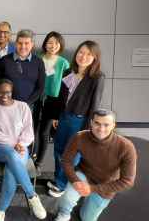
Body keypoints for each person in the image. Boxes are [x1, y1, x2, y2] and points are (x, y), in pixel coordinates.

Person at [54, 109, 137, 221]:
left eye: (106, 125)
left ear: (113, 125)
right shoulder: (80, 137)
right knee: (68, 197)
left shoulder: (127, 147)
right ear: (91, 122)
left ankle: (85, 205)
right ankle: (64, 214)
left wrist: (92, 189)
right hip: (84, 174)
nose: (101, 129)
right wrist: (75, 180)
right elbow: (66, 161)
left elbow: (127, 181)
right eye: (97, 123)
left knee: (87, 218)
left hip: (107, 184)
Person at [47, 40, 105, 198]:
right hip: (64, 117)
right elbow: (61, 97)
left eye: (88, 54)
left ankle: (62, 184)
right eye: (81, 52)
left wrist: (87, 128)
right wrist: (56, 116)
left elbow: (94, 105)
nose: (83, 56)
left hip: (78, 121)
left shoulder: (97, 78)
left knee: (71, 155)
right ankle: (58, 178)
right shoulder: (69, 72)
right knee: (58, 149)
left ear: (94, 58)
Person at [0, 79, 47, 221]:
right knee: (12, 155)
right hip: (0, 148)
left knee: (10, 171)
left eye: (7, 92)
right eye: (0, 92)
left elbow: (29, 131)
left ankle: (0, 210)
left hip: (22, 148)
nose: (4, 95)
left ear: (12, 92)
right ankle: (32, 196)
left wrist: (22, 144)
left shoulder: (23, 107)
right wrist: (15, 144)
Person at [33, 32, 70, 168]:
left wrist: (60, 112)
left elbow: (66, 89)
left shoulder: (64, 63)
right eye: (50, 42)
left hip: (54, 102)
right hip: (37, 99)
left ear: (60, 45)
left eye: (56, 42)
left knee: (44, 132)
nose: (52, 45)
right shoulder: (38, 59)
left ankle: (39, 163)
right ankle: (32, 157)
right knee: (33, 130)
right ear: (45, 44)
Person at [0, 29, 45, 107]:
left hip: (29, 107)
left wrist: (27, 104)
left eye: (26, 43)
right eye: (20, 43)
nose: (23, 46)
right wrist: (7, 101)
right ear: (16, 44)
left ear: (32, 44)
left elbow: (40, 88)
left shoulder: (39, 62)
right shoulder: (4, 60)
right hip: (6, 105)